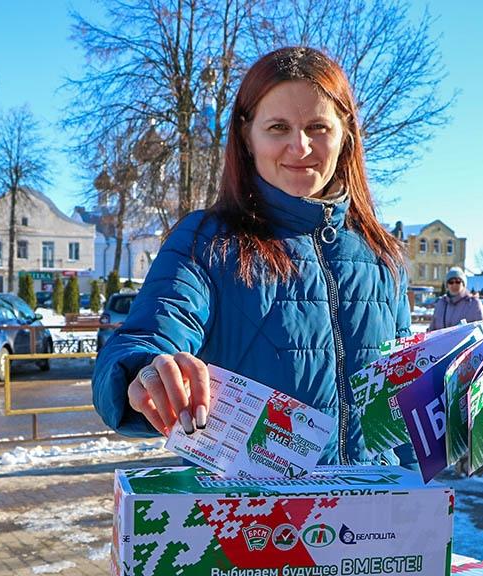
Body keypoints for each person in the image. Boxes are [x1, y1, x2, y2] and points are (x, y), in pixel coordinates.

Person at [91, 47, 412, 466]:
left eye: (317, 127)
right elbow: (150, 333)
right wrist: (146, 370)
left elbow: (402, 407)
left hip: (378, 507)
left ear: (346, 133)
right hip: (249, 505)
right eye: (278, 127)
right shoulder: (206, 243)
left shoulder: (382, 254)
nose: (300, 146)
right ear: (247, 136)